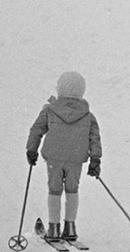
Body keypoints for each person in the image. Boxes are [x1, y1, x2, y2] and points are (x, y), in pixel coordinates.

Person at [25, 71, 102, 241]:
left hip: (54, 157)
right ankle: (70, 227)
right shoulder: (88, 116)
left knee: (54, 190)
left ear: (61, 88)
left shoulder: (50, 111)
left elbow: (36, 130)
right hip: (76, 158)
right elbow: (94, 138)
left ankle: (53, 228)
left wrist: (32, 150)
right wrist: (95, 159)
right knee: (72, 190)